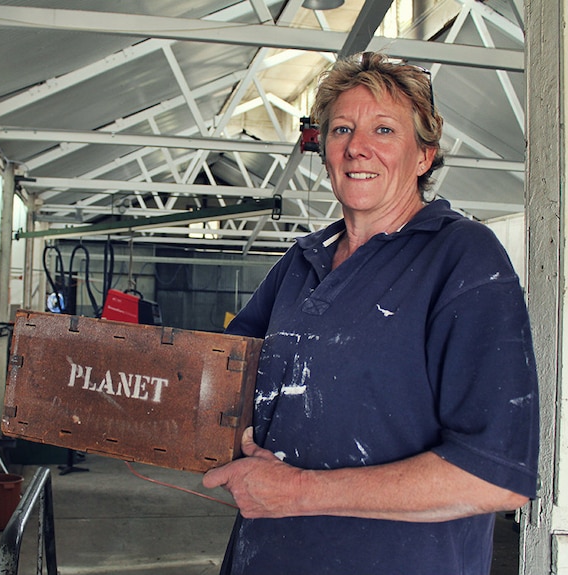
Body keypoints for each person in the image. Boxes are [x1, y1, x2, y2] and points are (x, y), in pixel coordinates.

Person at [202, 51, 540, 575]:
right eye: (341, 130)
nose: (357, 147)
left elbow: (495, 476)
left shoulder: (462, 257)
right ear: (324, 149)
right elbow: (217, 383)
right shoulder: (302, 261)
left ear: (424, 156)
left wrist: (296, 492)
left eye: (384, 130)